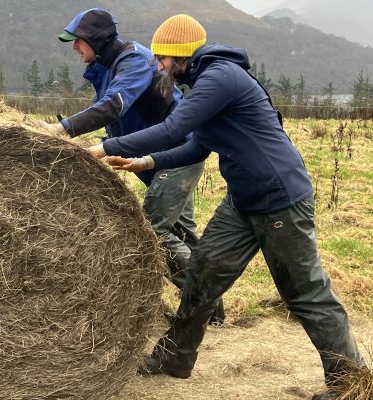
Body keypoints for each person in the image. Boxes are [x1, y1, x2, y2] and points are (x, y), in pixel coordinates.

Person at [88, 14, 366, 400]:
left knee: (305, 292)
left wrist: (105, 147)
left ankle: (350, 381)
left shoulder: (220, 77)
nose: (159, 66)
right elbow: (198, 144)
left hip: (280, 199)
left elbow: (171, 129)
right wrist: (147, 162)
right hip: (243, 200)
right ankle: (174, 358)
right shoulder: (206, 80)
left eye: (164, 58)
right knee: (202, 275)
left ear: (182, 54)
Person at [47, 8, 225, 324]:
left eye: (78, 41)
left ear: (95, 39)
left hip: (176, 154)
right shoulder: (107, 66)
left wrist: (62, 130)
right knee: (180, 232)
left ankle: (202, 305)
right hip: (156, 157)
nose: (75, 48)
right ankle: (213, 309)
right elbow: (119, 115)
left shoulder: (134, 61)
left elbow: (114, 106)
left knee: (154, 233)